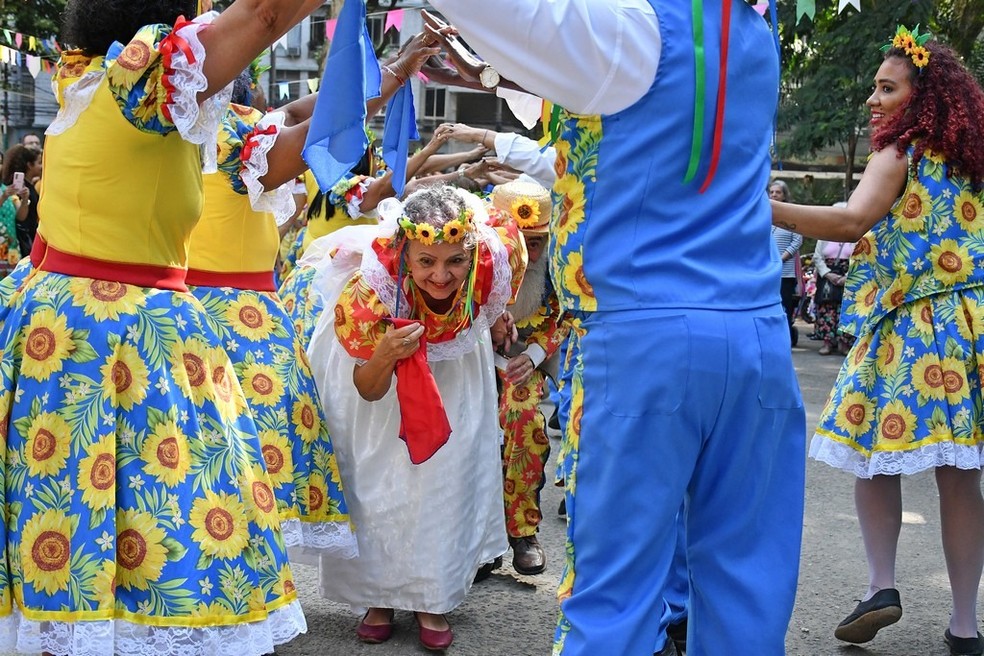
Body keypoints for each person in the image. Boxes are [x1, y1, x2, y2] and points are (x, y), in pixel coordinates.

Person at [422, 3, 805, 655]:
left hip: (647, 340)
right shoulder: (750, 28)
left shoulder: (638, 29)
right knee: (747, 591)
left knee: (615, 599)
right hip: (758, 338)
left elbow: (535, 25)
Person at [0, 1, 327, 653]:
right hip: (123, 328)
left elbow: (286, 106)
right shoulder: (140, 79)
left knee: (73, 502)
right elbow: (263, 17)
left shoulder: (84, 80)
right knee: (166, 508)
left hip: (60, 325)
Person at [772, 28, 984, 656]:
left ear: (922, 100)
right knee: (960, 473)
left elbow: (849, 221)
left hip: (911, 324)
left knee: (867, 451)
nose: (872, 99)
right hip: (972, 322)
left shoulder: (902, 151)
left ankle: (881, 586)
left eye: (886, 88)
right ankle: (966, 625)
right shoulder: (972, 159)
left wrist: (761, 207)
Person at [306, 185, 526, 651]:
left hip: (456, 371)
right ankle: (377, 596)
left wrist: (496, 316)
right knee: (377, 477)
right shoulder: (370, 297)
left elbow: (492, 296)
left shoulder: (492, 262)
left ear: (472, 253)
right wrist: (386, 353)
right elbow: (367, 389)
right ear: (405, 253)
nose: (441, 275)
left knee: (444, 478)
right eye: (426, 262)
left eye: (454, 262)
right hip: (379, 370)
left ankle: (433, 594)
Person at [491, 181, 568, 576]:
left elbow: (565, 315)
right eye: (521, 241)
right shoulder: (469, 260)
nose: (529, 252)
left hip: (526, 364)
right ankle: (480, 544)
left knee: (523, 422)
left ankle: (523, 533)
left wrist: (535, 355)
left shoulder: (555, 263)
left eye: (537, 242)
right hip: (468, 363)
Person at [812, 225, 856, 356]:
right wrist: (827, 274)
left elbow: (859, 259)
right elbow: (817, 257)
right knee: (827, 309)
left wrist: (846, 277)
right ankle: (827, 342)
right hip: (827, 277)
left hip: (848, 276)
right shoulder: (824, 236)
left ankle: (845, 343)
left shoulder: (855, 237)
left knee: (846, 309)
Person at [769, 181, 803, 346]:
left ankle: (785, 339)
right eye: (772, 192)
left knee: (784, 306)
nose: (774, 195)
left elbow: (797, 241)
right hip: (766, 270)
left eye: (778, 192)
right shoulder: (764, 214)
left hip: (785, 272)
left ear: (784, 195)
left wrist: (780, 258)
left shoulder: (791, 215)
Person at [2, 144, 42, 256]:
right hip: (19, 239)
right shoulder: (11, 190)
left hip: (26, 237)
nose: (42, 166)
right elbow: (20, 218)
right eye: (39, 162)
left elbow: (22, 216)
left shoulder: (29, 186)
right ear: (29, 165)